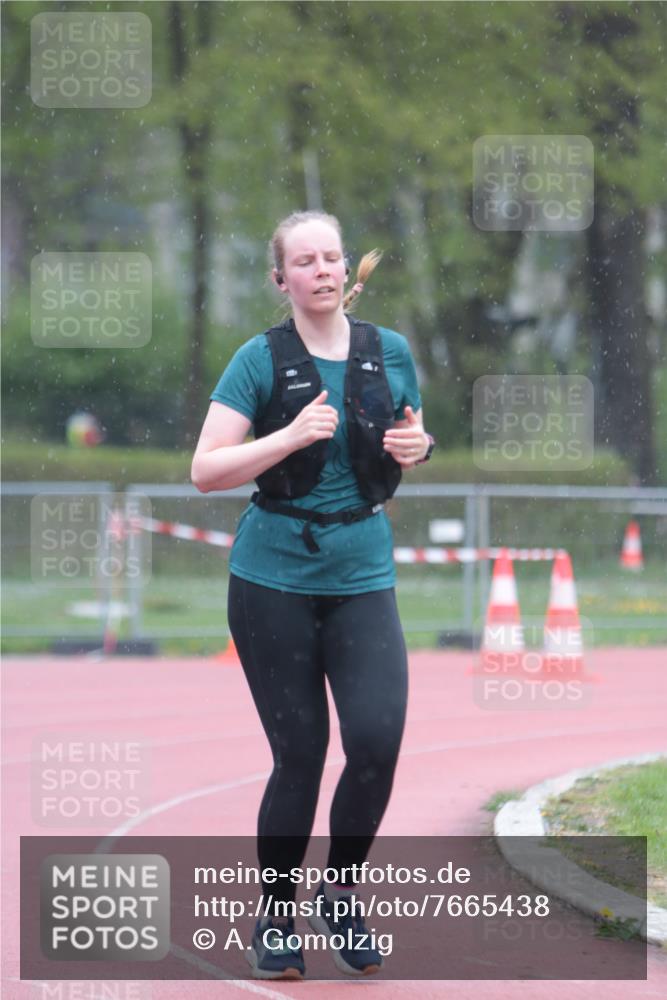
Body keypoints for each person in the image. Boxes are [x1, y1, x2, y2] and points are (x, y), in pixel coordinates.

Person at [191, 210, 435, 980]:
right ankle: (275, 912)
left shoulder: (387, 351)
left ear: (344, 272)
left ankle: (341, 893)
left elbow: (408, 434)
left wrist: (417, 447)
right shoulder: (258, 361)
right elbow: (205, 469)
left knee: (375, 743)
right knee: (299, 755)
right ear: (281, 279)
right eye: (305, 261)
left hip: (362, 573)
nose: (322, 270)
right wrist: (291, 436)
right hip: (272, 580)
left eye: (331, 257)